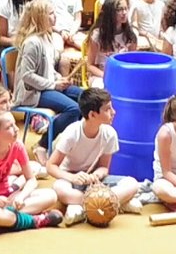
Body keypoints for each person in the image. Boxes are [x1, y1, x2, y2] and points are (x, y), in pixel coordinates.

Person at [45, 88, 143, 226]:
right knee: (60, 189)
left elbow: (104, 167)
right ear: (92, 114)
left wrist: (96, 175)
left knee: (132, 183)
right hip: (70, 179)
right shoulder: (72, 133)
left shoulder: (110, 134)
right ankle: (112, 203)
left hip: (94, 182)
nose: (113, 112)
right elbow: (51, 166)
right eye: (108, 109)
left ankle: (84, 205)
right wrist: (73, 178)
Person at [12, 1, 84, 138]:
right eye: (51, 13)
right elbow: (27, 75)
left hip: (47, 86)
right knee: (73, 109)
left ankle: (75, 140)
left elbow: (49, 68)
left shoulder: (47, 36)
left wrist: (59, 78)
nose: (55, 16)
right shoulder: (32, 43)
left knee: (86, 98)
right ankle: (43, 144)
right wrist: (54, 85)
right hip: (33, 93)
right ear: (40, 18)